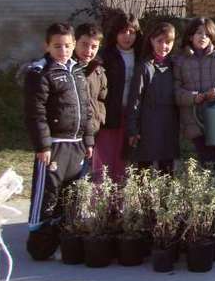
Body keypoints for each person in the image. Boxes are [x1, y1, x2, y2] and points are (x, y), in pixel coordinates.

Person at [24, 23, 94, 260]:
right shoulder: (40, 73)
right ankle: (40, 245)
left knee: (70, 194)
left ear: (74, 45)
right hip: (54, 145)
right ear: (47, 46)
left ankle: (64, 241)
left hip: (76, 144)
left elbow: (86, 109)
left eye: (67, 45)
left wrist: (89, 140)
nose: (63, 50)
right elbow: (36, 113)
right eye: (57, 46)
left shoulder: (77, 71)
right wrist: (43, 145)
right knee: (48, 195)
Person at [173, 17, 215, 172]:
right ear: (191, 36)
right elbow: (175, 90)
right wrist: (193, 97)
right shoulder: (180, 60)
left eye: (207, 34)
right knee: (200, 161)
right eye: (199, 33)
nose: (203, 37)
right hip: (192, 118)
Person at [125, 21, 180, 173]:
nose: (164, 46)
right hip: (147, 126)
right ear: (151, 41)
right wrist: (133, 129)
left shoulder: (175, 65)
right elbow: (135, 100)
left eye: (168, 42)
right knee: (144, 172)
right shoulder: (144, 67)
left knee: (167, 171)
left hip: (169, 125)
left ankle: (165, 197)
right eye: (159, 41)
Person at [94, 12, 140, 183]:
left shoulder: (141, 55)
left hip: (132, 116)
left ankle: (119, 207)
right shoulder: (104, 56)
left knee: (124, 164)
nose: (127, 36)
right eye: (122, 32)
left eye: (132, 32)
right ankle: (100, 206)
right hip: (108, 115)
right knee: (104, 163)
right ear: (114, 33)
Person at [74, 23, 108, 148]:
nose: (89, 51)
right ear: (74, 42)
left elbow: (101, 98)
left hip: (93, 130)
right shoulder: (68, 68)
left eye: (94, 46)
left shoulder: (98, 70)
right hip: (71, 133)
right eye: (84, 44)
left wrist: (100, 117)